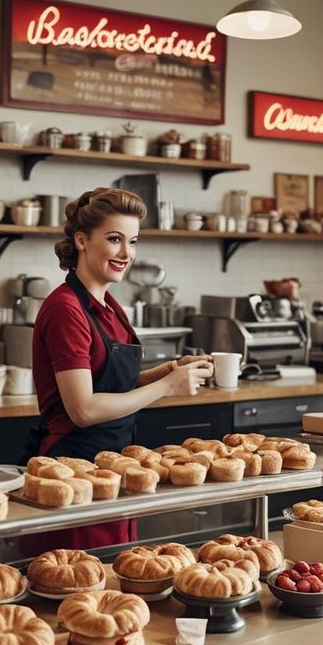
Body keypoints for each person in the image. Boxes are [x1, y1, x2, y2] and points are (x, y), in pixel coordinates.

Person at [27, 188, 213, 550]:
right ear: (82, 240)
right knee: (76, 587)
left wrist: (171, 369)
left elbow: (115, 384)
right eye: (115, 240)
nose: (127, 253)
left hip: (113, 467)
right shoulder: (66, 309)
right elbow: (84, 409)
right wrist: (168, 386)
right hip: (73, 473)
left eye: (133, 241)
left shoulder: (109, 305)